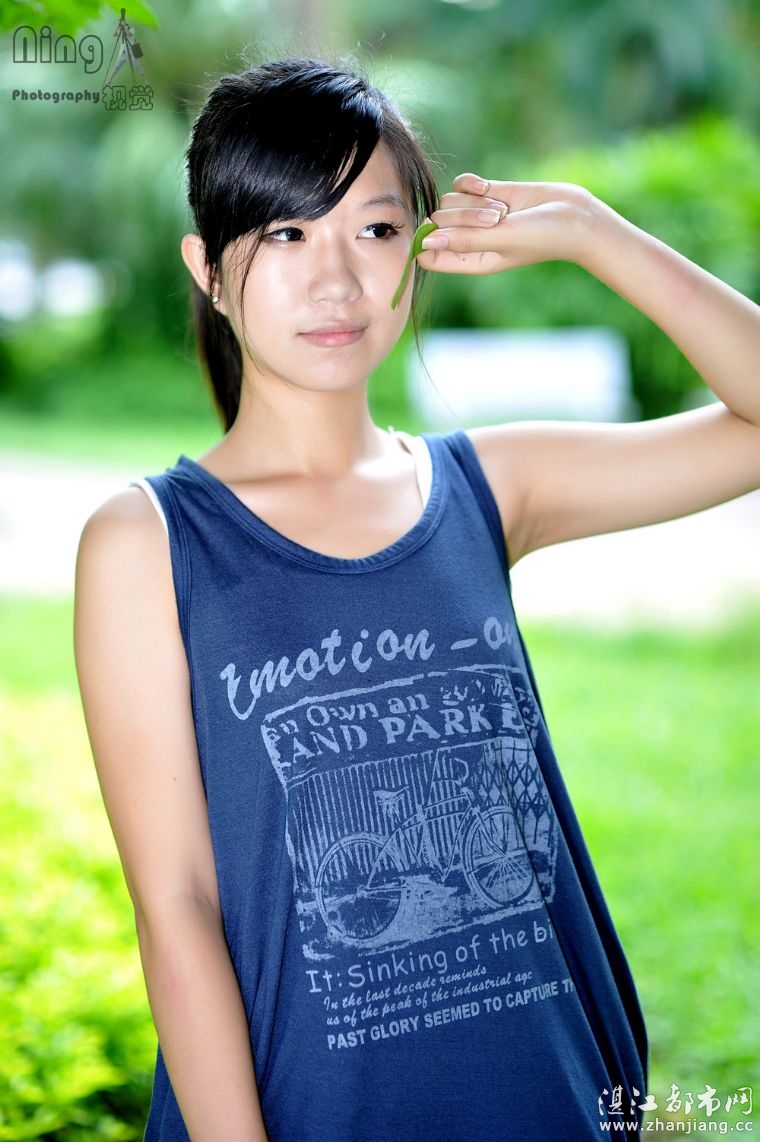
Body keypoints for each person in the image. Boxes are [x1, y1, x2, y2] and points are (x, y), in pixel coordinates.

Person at [73, 57, 760, 1142]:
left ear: (420, 248)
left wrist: (596, 233)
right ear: (207, 269)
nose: (336, 279)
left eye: (377, 229)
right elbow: (178, 903)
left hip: (552, 1095)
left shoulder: (491, 485)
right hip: (311, 1111)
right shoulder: (149, 541)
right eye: (286, 234)